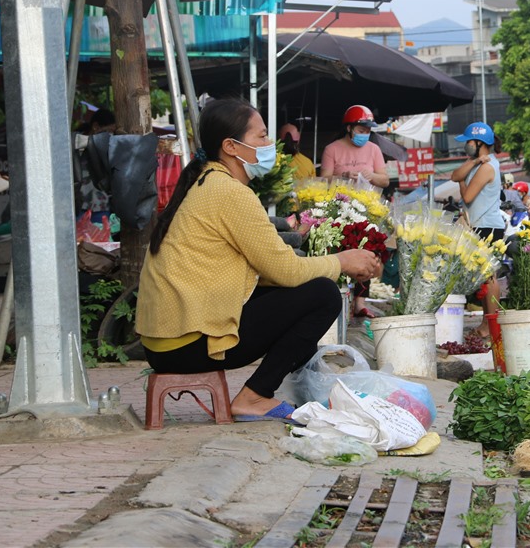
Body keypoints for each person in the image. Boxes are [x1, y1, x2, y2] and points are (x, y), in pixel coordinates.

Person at [135, 98, 381, 421]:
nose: (270, 145)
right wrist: (343, 261)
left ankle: (281, 390)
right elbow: (286, 270)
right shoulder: (229, 192)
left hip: (166, 343)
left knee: (301, 293)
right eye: (262, 137)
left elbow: (269, 269)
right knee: (322, 296)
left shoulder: (206, 183)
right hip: (186, 343)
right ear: (231, 147)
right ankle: (255, 396)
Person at [320, 105, 390, 318]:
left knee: (368, 252)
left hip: (367, 210)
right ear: (349, 128)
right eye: (361, 130)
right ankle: (338, 297)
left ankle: (360, 301)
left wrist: (371, 176)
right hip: (339, 211)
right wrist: (343, 176)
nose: (364, 135)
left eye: (367, 131)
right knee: (340, 251)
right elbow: (323, 179)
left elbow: (384, 180)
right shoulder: (332, 149)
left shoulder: (374, 150)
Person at [450, 121, 503, 337]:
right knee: (484, 277)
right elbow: (455, 175)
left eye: (469, 141)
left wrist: (462, 183)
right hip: (481, 225)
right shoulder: (479, 163)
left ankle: (491, 326)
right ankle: (486, 324)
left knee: (489, 279)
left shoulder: (488, 168)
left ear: (479, 142)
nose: (466, 145)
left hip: (487, 227)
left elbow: (468, 196)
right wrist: (472, 164)